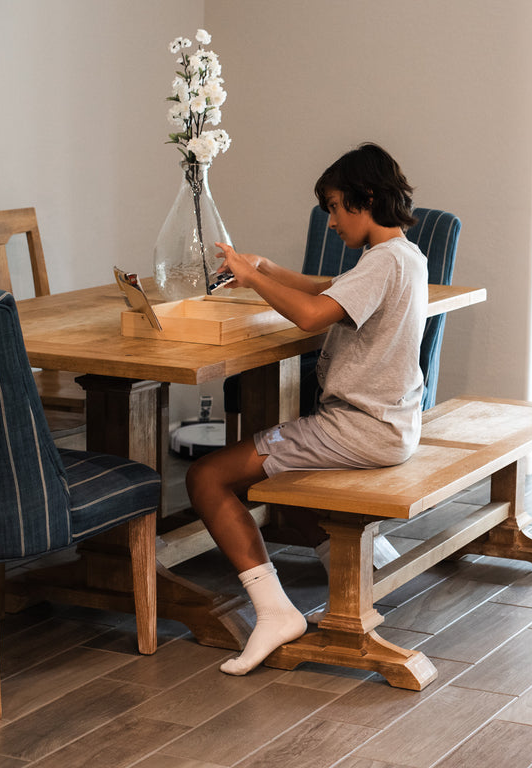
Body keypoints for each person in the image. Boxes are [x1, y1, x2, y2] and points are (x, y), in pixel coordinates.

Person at [186, 143, 427, 675]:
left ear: (366, 198)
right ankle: (354, 571)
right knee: (280, 476)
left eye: (337, 207)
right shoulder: (403, 256)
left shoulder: (382, 261)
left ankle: (274, 613)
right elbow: (326, 289)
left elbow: (313, 315)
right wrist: (268, 268)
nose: (333, 221)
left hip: (359, 429)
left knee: (207, 477)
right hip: (391, 424)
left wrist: (251, 280)